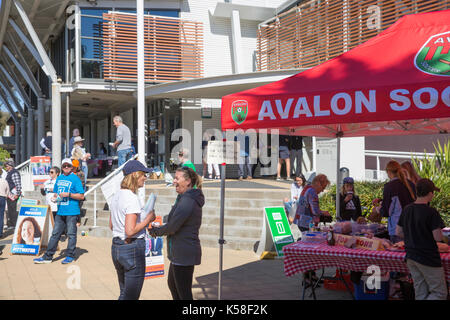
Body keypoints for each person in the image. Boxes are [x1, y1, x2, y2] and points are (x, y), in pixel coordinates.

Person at [148, 166, 204, 300]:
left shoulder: (188, 200)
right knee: (173, 285)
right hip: (179, 253)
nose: (174, 181)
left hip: (184, 252)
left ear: (188, 181)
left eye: (177, 178)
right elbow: (174, 219)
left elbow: (173, 226)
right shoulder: (183, 197)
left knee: (183, 293)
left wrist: (156, 231)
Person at [109, 160, 156, 300]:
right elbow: (130, 231)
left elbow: (112, 225)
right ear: (135, 175)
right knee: (131, 296)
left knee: (124, 294)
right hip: (131, 248)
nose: (145, 178)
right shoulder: (131, 198)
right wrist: (148, 219)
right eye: (143, 174)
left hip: (117, 247)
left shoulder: (116, 195)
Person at [396, 178, 447, 300]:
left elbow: (398, 232)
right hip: (427, 257)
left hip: (411, 256)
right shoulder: (431, 212)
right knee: (439, 293)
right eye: (433, 193)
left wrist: (414, 235)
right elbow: (437, 237)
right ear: (430, 193)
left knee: (420, 291)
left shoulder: (407, 209)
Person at [33, 158, 85, 264]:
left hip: (72, 211)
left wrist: (68, 194)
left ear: (72, 167)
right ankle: (48, 256)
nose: (66, 167)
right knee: (55, 234)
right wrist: (55, 197)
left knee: (71, 234)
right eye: (64, 166)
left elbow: (81, 196)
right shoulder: (60, 178)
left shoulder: (75, 179)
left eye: (68, 166)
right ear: (62, 167)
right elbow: (57, 193)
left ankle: (70, 255)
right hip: (60, 210)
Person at [293, 173, 330, 283]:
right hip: (307, 223)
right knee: (310, 250)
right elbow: (315, 211)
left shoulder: (307, 188)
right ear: (318, 183)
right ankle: (307, 277)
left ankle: (311, 275)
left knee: (309, 249)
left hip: (301, 221)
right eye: (323, 187)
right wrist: (323, 213)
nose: (322, 191)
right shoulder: (313, 192)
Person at [374, 160, 416, 243]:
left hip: (397, 229)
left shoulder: (390, 187)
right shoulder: (410, 184)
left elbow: (386, 212)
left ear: (388, 172)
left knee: (399, 254)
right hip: (412, 227)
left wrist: (378, 209)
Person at [4, 160, 21, 230]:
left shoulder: (14, 173)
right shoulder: (9, 173)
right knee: (10, 210)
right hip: (9, 194)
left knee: (13, 210)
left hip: (14, 194)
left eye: (7, 166)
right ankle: (11, 224)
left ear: (10, 166)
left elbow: (18, 184)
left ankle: (14, 225)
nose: (6, 167)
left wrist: (17, 193)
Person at [0, 168, 9, 238]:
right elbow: (8, 191)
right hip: (2, 198)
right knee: (1, 216)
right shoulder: (4, 181)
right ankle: (0, 233)